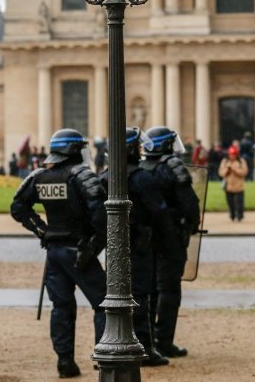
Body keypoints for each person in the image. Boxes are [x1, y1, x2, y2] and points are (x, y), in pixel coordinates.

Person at [10, 128, 107, 378]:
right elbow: (100, 214)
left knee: (61, 307)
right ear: (75, 151)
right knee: (105, 303)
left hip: (54, 251)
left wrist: (42, 231)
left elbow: (18, 206)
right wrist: (95, 244)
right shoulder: (82, 175)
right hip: (79, 249)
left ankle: (65, 361)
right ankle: (105, 359)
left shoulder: (40, 176)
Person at [101, 127, 172, 367]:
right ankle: (144, 348)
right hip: (141, 246)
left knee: (111, 296)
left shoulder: (105, 177)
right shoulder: (143, 178)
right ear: (132, 149)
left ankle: (107, 345)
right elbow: (160, 214)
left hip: (113, 247)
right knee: (142, 295)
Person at [141, 125, 200, 358]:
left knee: (150, 289)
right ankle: (164, 340)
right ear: (167, 144)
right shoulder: (172, 166)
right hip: (170, 237)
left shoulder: (142, 167)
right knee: (169, 290)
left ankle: (148, 340)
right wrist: (191, 225)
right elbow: (190, 203)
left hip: (146, 238)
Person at [219, 146, 248, 222]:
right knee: (230, 202)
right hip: (228, 186)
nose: (232, 156)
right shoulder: (225, 161)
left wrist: (235, 170)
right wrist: (227, 171)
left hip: (239, 186)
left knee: (239, 203)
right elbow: (221, 172)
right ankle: (232, 215)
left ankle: (240, 216)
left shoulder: (241, 161)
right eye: (231, 154)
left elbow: (244, 172)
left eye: (233, 154)